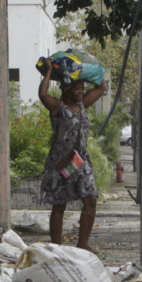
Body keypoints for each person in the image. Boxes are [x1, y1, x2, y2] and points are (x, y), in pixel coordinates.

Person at [38, 66, 105, 251]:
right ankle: (57, 248)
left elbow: (100, 88)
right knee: (60, 204)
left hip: (80, 160)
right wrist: (49, 71)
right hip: (62, 162)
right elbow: (42, 94)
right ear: (67, 89)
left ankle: (82, 244)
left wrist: (89, 70)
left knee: (91, 200)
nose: (81, 92)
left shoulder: (82, 105)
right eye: (77, 89)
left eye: (83, 89)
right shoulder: (58, 107)